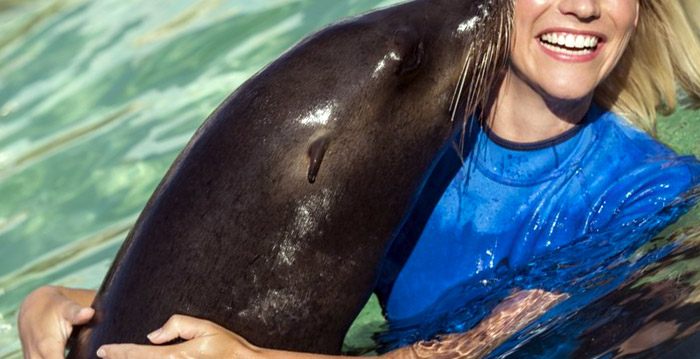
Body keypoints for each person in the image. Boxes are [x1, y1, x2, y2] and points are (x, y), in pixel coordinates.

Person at [17, 0, 700, 358]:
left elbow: (473, 350)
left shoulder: (649, 189)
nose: (580, 5)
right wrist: (63, 307)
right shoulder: (420, 158)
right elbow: (267, 259)